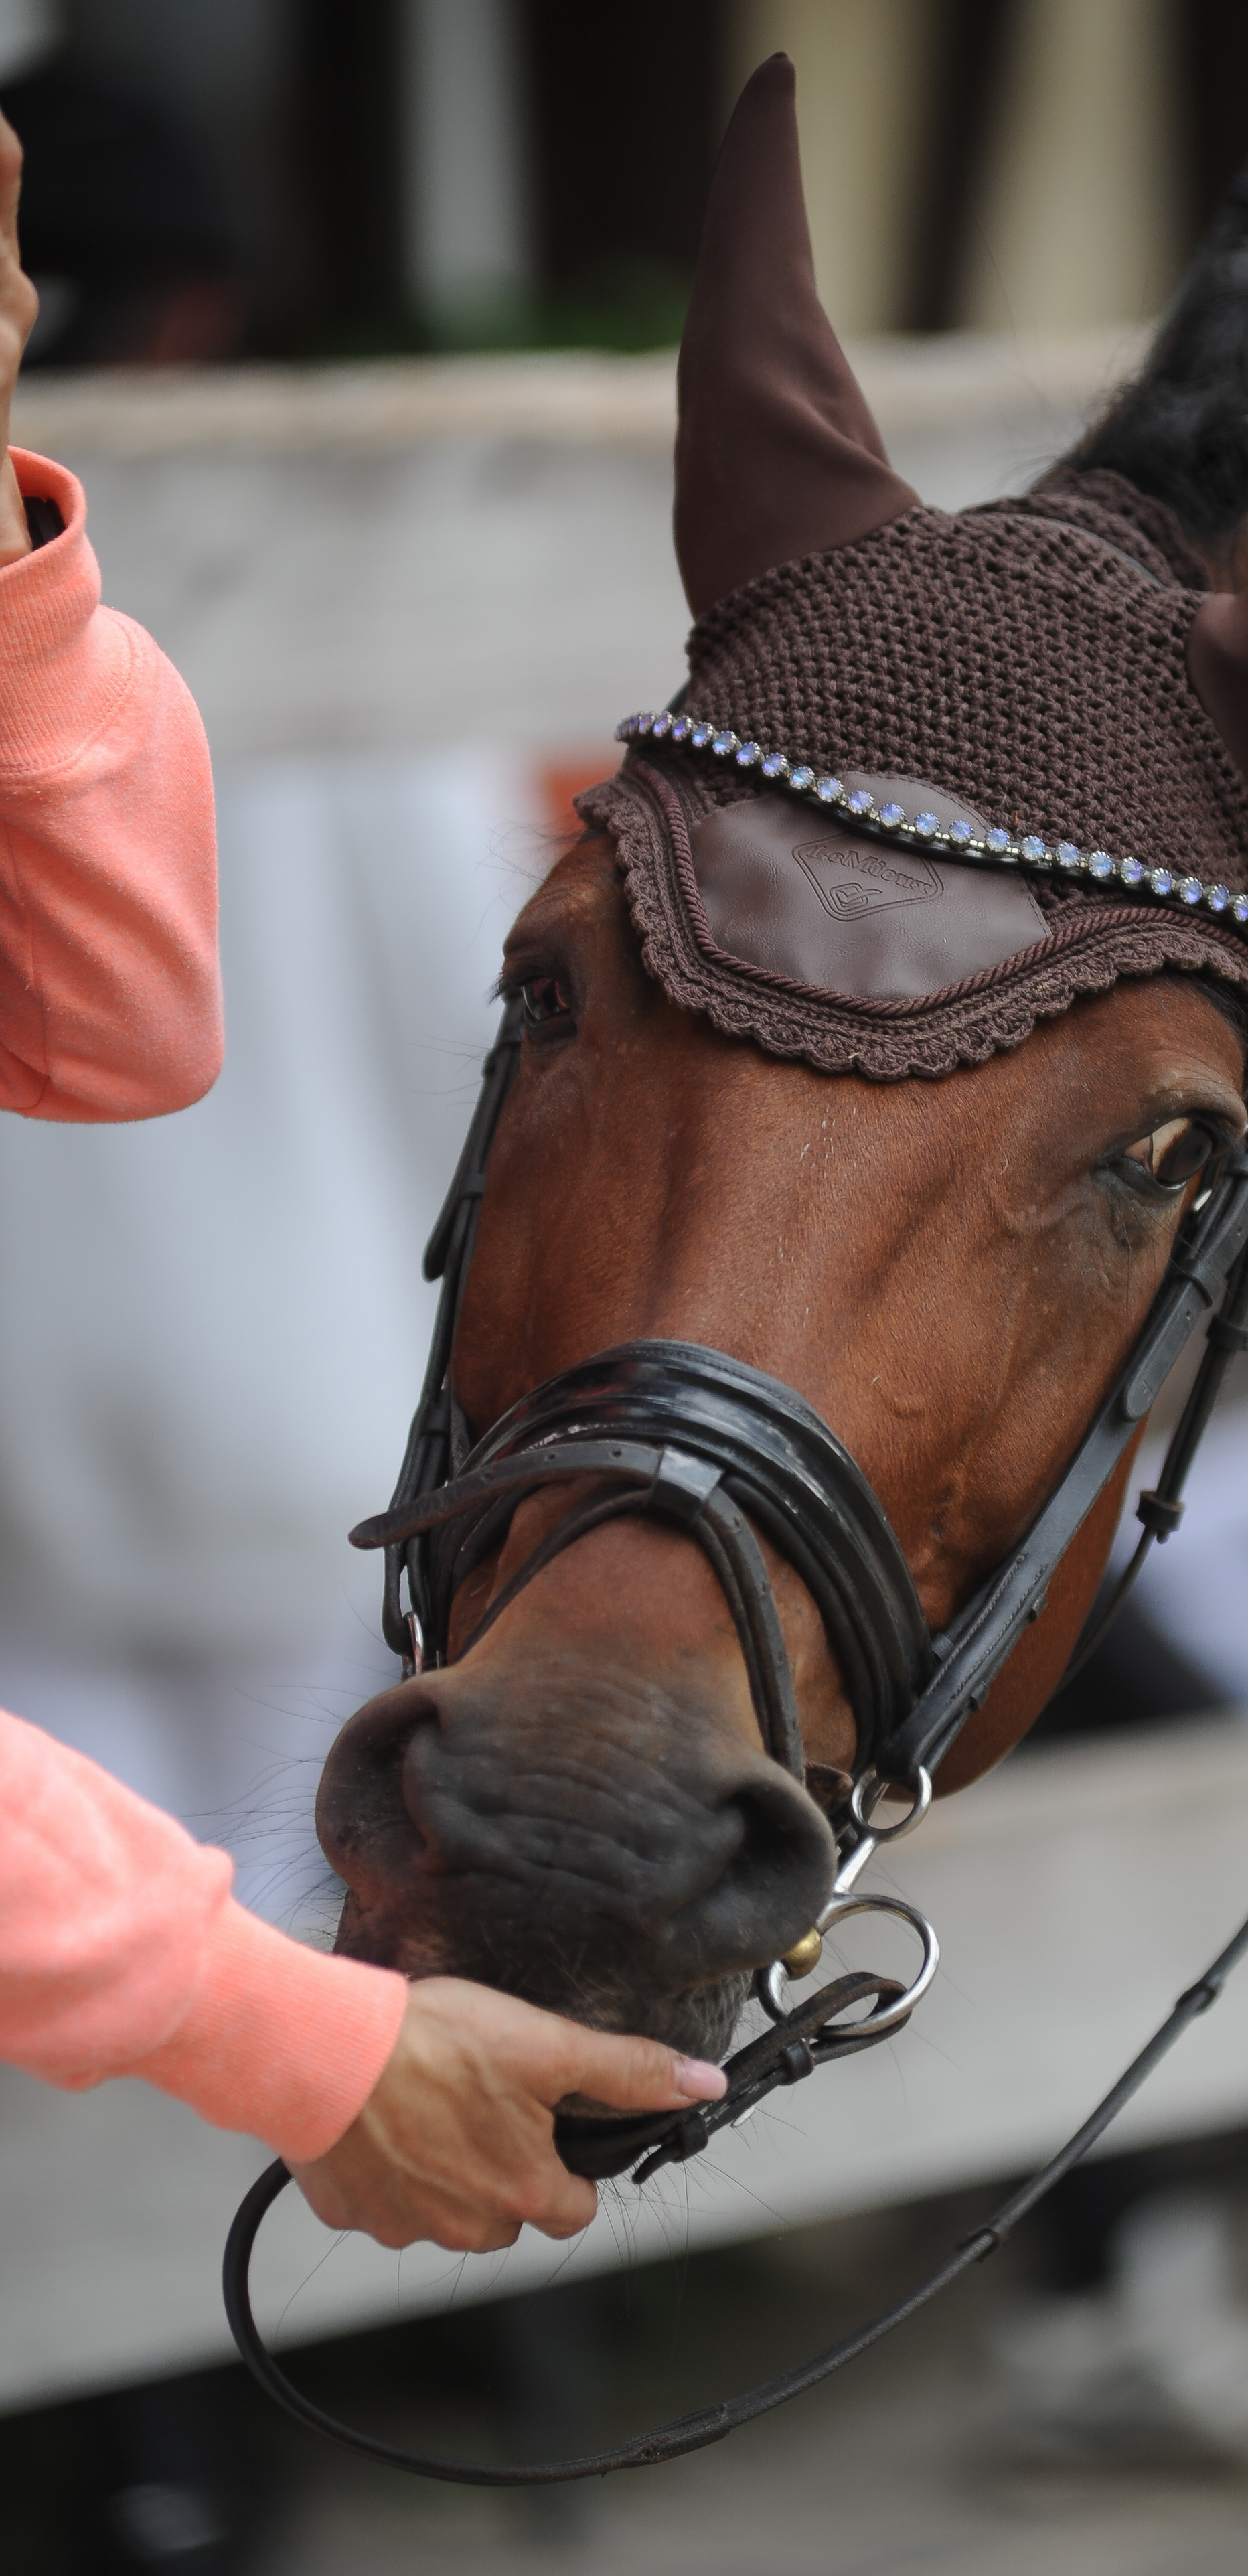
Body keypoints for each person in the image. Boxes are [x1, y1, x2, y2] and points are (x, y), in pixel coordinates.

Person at [0, 109, 724, 2257]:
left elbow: (128, 1029)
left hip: (47, 1474)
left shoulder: (96, 616)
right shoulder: (399, 690)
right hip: (305, 1431)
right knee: (290, 2026)